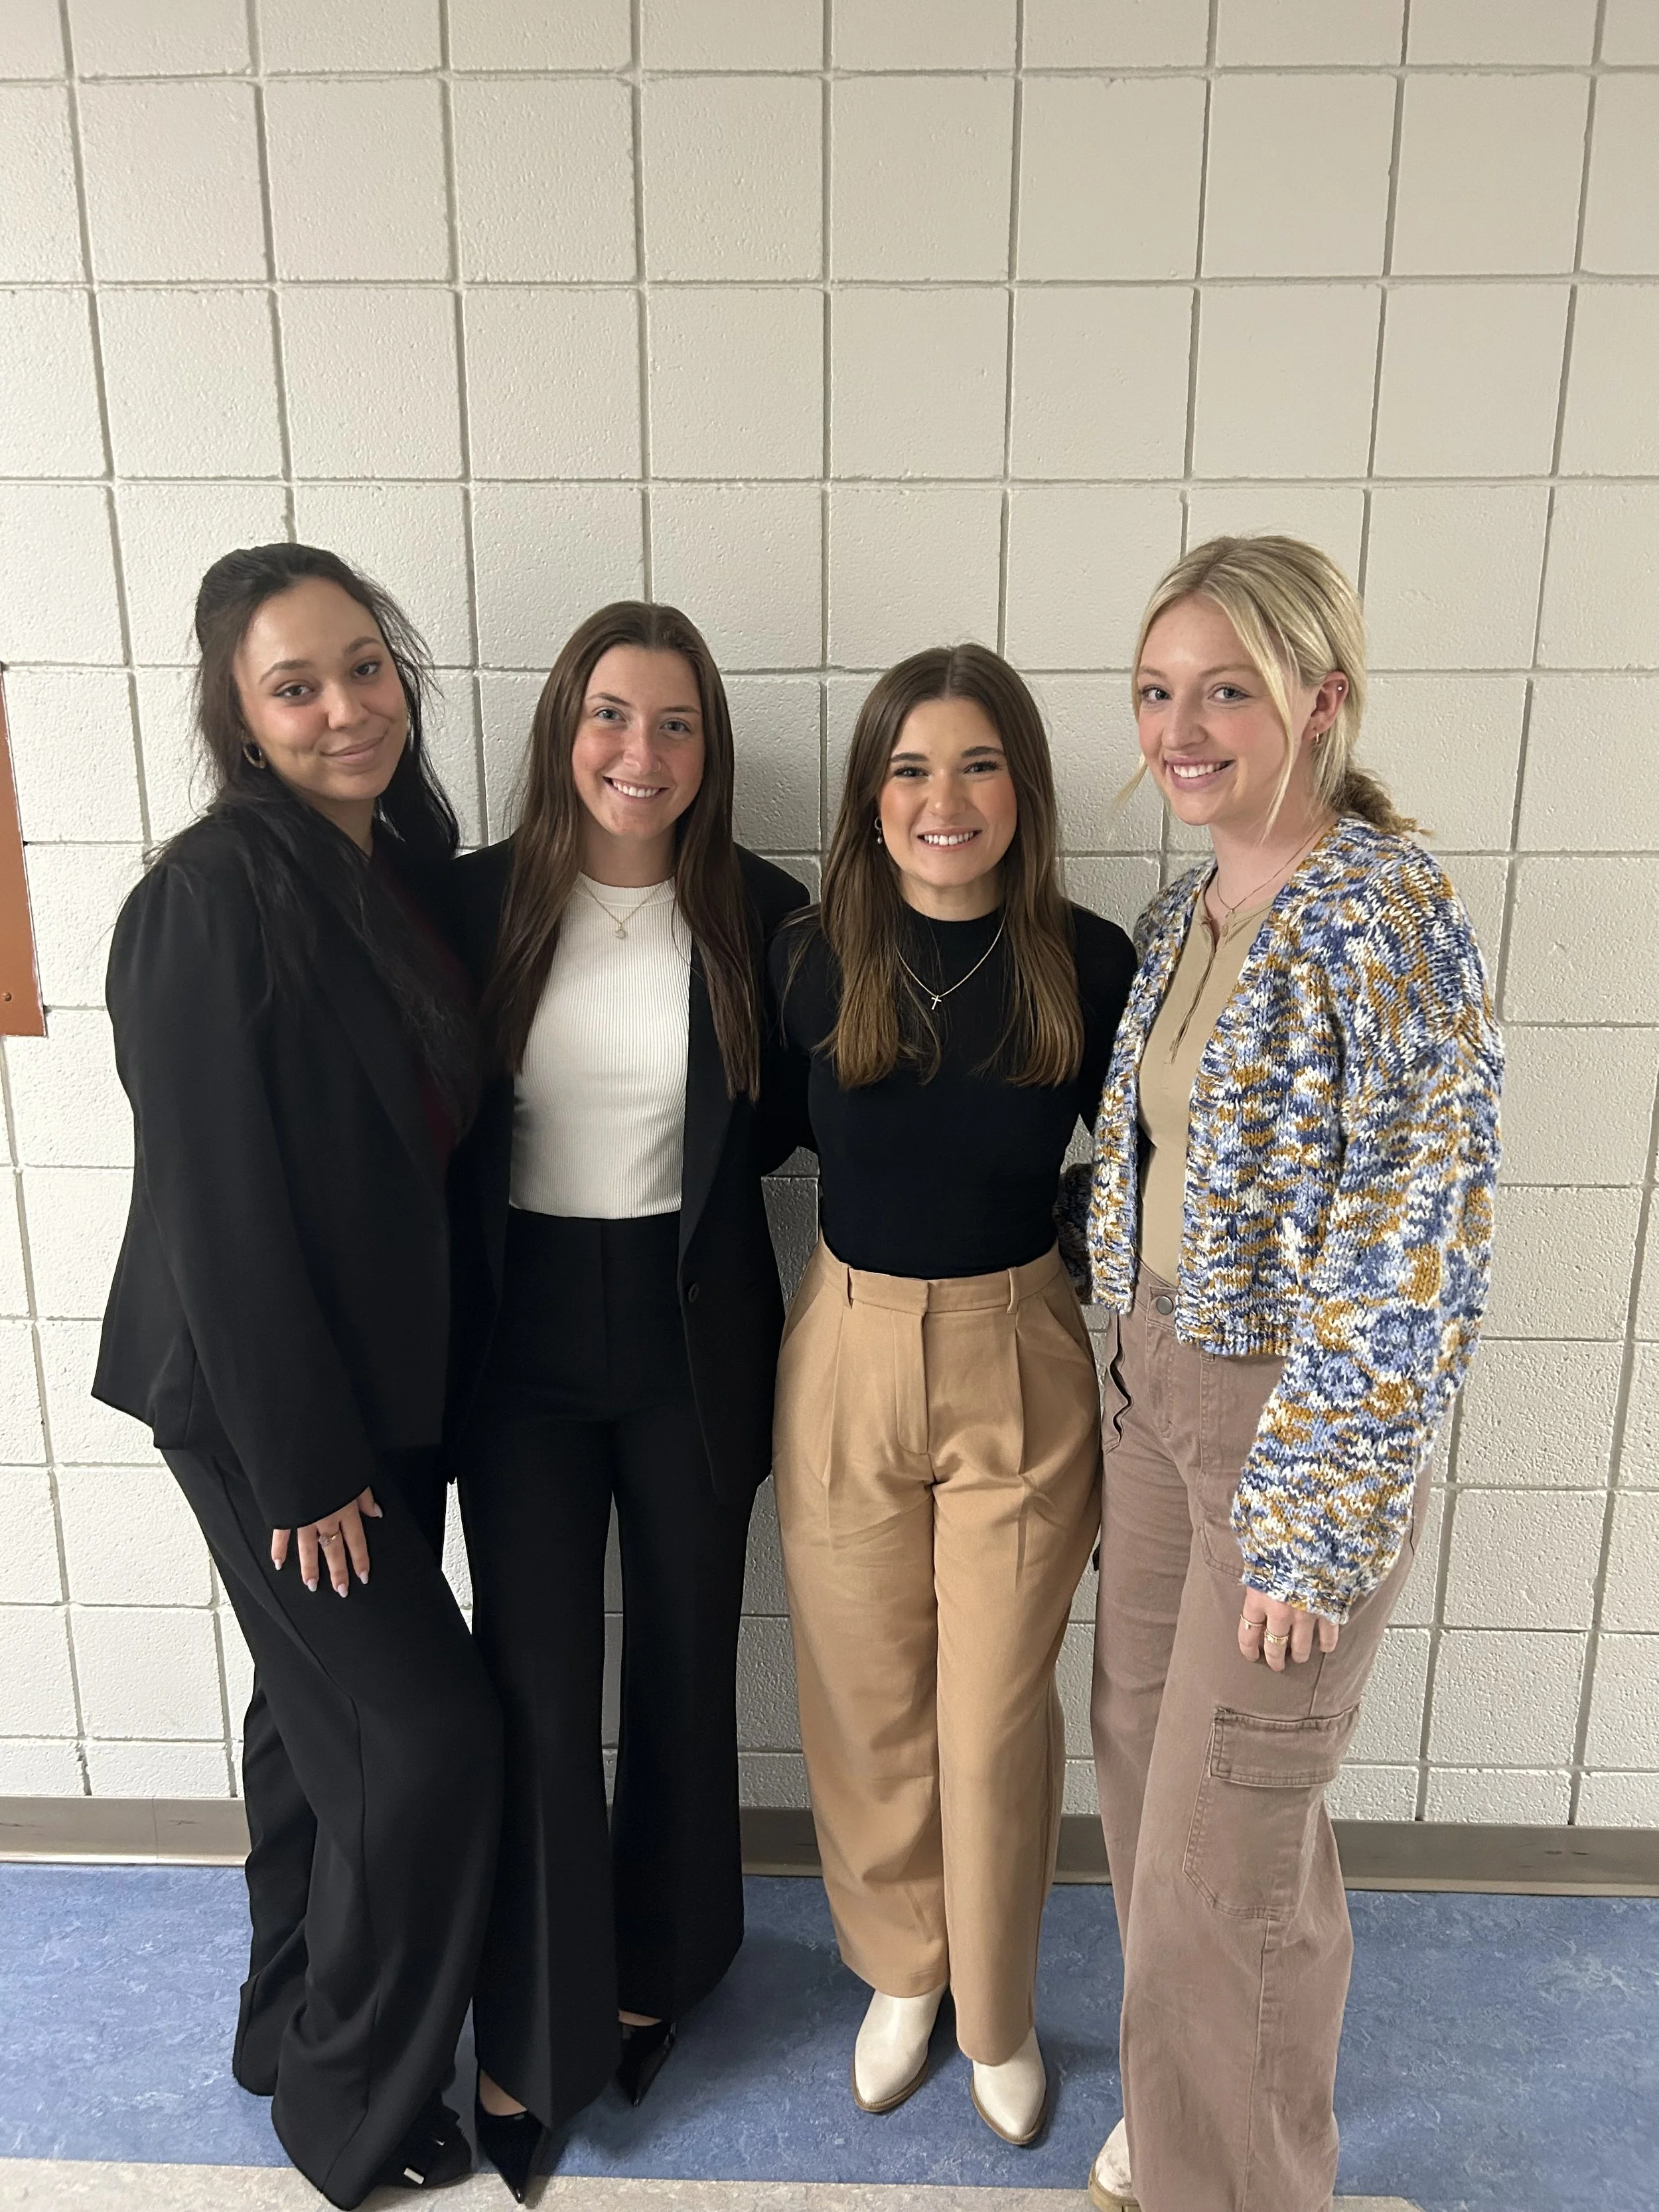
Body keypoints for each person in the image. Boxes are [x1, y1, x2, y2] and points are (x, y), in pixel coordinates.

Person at [1071, 537, 1502, 2212]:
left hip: (1283, 1427)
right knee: (1146, 1764)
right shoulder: (1190, 903)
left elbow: (1418, 1230)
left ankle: (1229, 2178)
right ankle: (1204, 2100)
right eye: (1158, 691)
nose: (1181, 727)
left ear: (1319, 701)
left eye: (1226, 689)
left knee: (1219, 1835)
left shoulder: (1381, 910)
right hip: (1150, 1383)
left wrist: (1318, 1518)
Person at [94, 544, 502, 2209]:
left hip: (388, 1390)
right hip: (275, 1413)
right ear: (239, 718)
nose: (345, 707)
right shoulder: (205, 896)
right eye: (295, 684)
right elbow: (217, 1212)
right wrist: (309, 1464)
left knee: (308, 1717)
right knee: (429, 1730)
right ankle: (348, 2097)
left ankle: (284, 2014)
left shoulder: (403, 867)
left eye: (363, 666)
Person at [448, 601, 809, 2199]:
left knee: (678, 1658)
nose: (638, 754)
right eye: (610, 715)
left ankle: (659, 1964)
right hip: (516, 1339)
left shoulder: (764, 914)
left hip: (691, 1337)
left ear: (709, 751)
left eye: (674, 725)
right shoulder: (466, 907)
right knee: (530, 1679)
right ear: (561, 727)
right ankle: (532, 2018)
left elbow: (821, 1123)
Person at [770, 643, 1136, 2146]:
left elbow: (1132, 1166)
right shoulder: (803, 955)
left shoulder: (1088, 955)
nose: (943, 797)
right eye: (909, 768)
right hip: (847, 1346)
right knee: (864, 1699)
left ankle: (993, 2009)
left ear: (1021, 786)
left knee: (989, 1715)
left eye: (976, 764)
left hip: (1017, 1351)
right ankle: (900, 1974)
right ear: (868, 797)